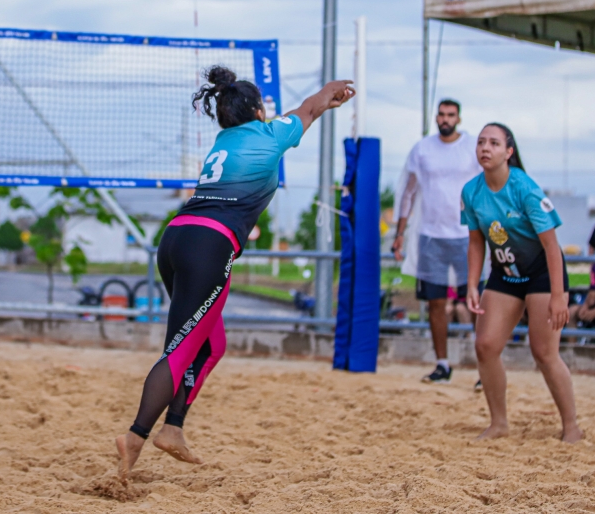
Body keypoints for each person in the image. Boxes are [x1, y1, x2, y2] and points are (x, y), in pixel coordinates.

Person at [115, 66, 354, 480]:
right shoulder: (269, 134)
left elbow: (303, 111)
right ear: (259, 111)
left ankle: (173, 429)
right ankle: (135, 437)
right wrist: (329, 92)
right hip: (208, 245)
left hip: (176, 237)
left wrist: (319, 101)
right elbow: (309, 109)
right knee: (180, 351)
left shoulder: (223, 140)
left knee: (210, 345)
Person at [463, 123, 582, 443]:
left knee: (544, 352)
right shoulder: (471, 191)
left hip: (543, 273)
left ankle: (571, 426)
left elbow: (552, 246)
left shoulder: (525, 189)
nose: (485, 148)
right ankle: (499, 423)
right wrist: (472, 284)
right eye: (481, 142)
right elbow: (476, 242)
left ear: (508, 152)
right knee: (485, 346)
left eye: (494, 143)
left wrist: (558, 295)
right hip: (505, 273)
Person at [391, 99, 481, 383]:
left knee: (476, 303)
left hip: (468, 236)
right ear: (436, 118)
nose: (445, 119)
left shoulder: (473, 147)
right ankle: (442, 364)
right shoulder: (422, 149)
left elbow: (489, 185)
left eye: (450, 115)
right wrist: (399, 233)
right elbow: (408, 192)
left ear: (459, 118)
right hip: (431, 235)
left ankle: (485, 367)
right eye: (441, 114)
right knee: (435, 303)